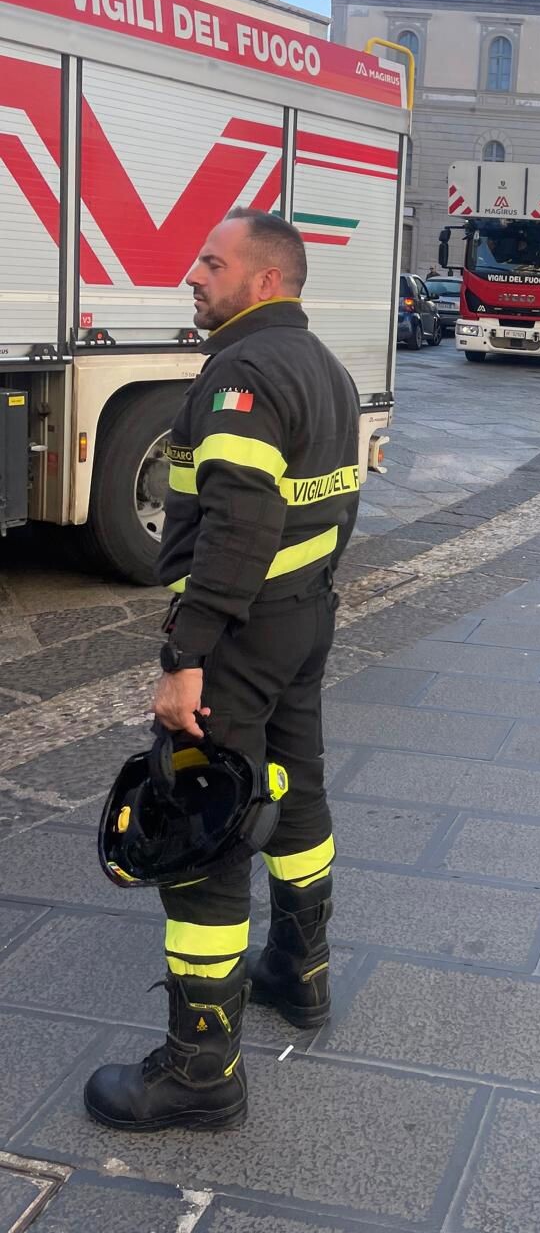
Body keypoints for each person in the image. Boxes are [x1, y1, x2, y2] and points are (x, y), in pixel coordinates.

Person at [84, 208, 361, 1132]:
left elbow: (238, 525)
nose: (193, 275)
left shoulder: (240, 372)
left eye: (212, 261)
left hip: (240, 638)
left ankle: (201, 1070)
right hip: (302, 621)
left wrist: (187, 655)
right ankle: (300, 972)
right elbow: (335, 503)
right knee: (299, 793)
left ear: (266, 281)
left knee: (201, 825)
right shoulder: (326, 366)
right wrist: (313, 598)